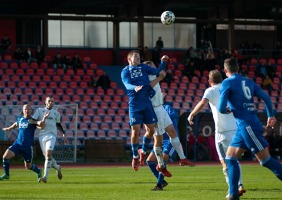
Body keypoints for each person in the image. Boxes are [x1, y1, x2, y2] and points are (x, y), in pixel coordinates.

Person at [218, 58, 282, 200]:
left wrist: (228, 110)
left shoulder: (227, 82)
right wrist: (270, 115)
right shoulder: (248, 81)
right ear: (238, 68)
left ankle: (234, 192)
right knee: (230, 157)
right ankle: (233, 193)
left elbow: (221, 108)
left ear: (225, 70)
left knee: (265, 160)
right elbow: (266, 97)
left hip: (247, 126)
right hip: (244, 127)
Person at [187, 70, 245, 197]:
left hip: (222, 132)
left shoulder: (210, 90)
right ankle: (240, 184)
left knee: (224, 161)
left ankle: (232, 189)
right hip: (236, 129)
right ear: (222, 78)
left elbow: (202, 103)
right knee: (234, 159)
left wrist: (191, 114)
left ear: (209, 81)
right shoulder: (229, 87)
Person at [120, 50, 171, 176]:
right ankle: (135, 156)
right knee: (135, 131)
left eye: (138, 56)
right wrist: (134, 87)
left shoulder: (143, 67)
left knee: (151, 130)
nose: (138, 58)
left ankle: (142, 150)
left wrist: (163, 62)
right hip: (135, 105)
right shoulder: (126, 71)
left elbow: (156, 71)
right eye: (135, 57)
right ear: (129, 59)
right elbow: (126, 84)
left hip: (147, 104)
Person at [144, 60, 195, 167]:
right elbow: (148, 87)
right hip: (154, 111)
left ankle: (182, 158)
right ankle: (161, 166)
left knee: (172, 131)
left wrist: (163, 61)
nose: (153, 68)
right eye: (150, 66)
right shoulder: (144, 79)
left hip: (160, 108)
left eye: (153, 65)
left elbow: (161, 71)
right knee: (158, 139)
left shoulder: (154, 75)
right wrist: (160, 78)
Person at [0, 104, 49, 181]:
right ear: (23, 110)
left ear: (31, 110)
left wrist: (44, 119)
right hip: (18, 144)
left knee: (28, 166)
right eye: (25, 109)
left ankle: (38, 171)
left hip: (27, 147)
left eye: (29, 109)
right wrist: (9, 128)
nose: (27, 110)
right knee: (5, 156)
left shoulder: (32, 120)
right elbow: (16, 124)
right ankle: (6, 175)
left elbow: (41, 125)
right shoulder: (20, 118)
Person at [32, 96, 67, 183]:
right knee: (48, 157)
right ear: (45, 102)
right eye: (49, 101)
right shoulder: (39, 110)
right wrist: (38, 124)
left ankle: (45, 177)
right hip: (41, 136)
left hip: (52, 135)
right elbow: (33, 121)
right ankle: (58, 167)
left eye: (52, 101)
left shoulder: (56, 113)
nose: (51, 102)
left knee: (48, 154)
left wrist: (63, 133)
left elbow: (58, 124)